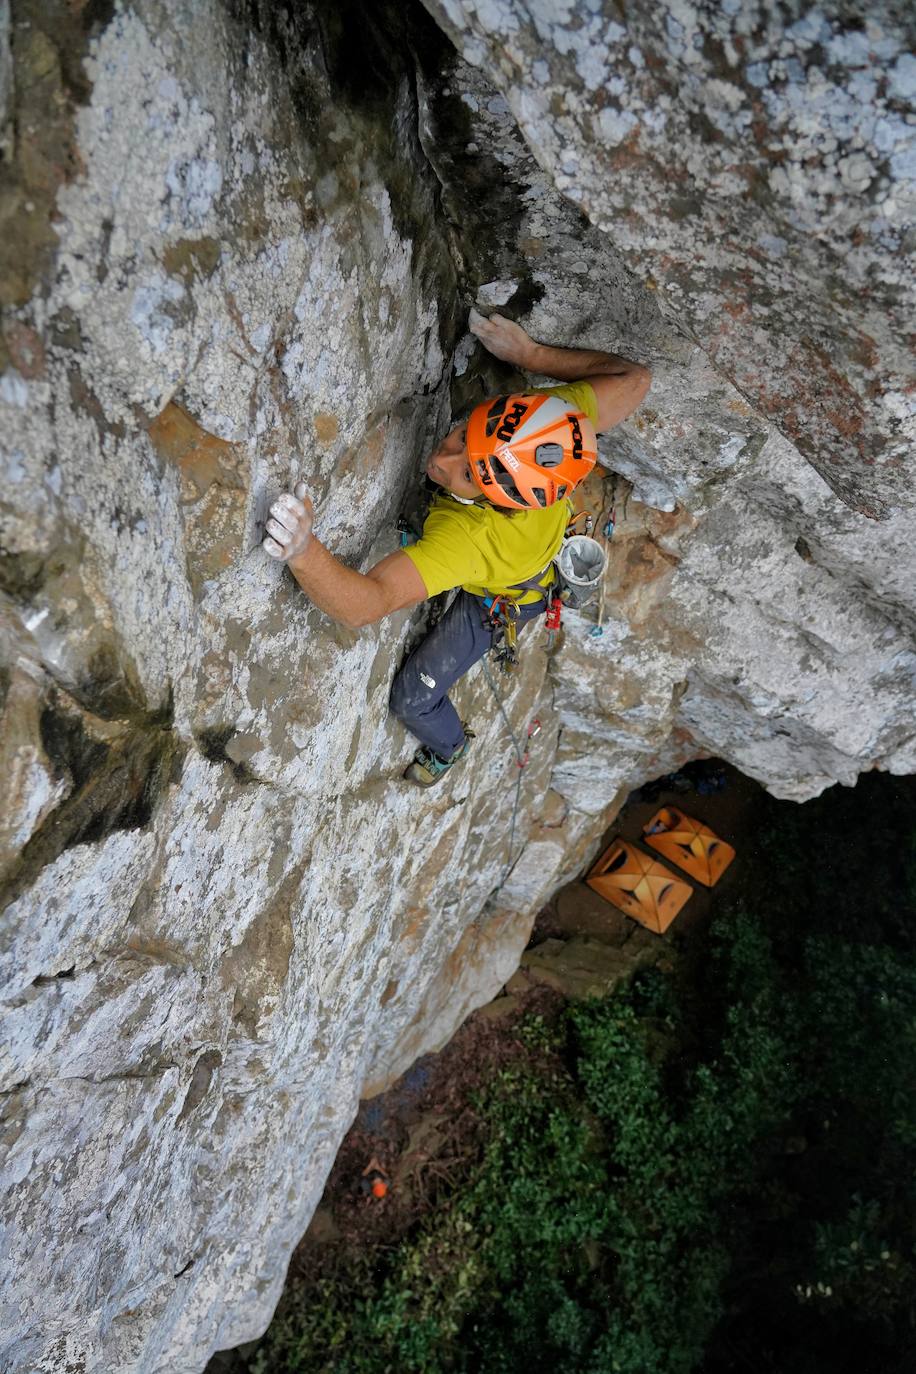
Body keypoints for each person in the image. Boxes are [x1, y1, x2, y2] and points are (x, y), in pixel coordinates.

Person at [262, 309, 650, 785]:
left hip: (507, 596)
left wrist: (304, 551)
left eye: (468, 475)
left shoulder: (467, 540)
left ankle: (450, 746)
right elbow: (634, 379)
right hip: (530, 548)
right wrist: (531, 354)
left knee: (412, 700)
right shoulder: (539, 427)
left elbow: (367, 604)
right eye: (465, 436)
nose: (442, 459)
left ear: (500, 502)